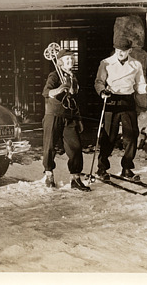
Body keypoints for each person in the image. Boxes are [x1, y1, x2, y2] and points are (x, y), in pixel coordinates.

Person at [94, 38, 147, 181]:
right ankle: (102, 168)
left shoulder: (136, 64)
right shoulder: (106, 63)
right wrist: (102, 91)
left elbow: (139, 85)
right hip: (111, 99)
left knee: (131, 135)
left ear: (129, 50)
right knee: (109, 136)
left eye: (123, 51)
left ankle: (127, 168)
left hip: (128, 100)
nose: (120, 53)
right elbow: (99, 82)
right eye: (117, 50)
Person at [42, 48, 90, 191]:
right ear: (60, 62)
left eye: (71, 58)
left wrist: (79, 119)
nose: (70, 61)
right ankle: (49, 175)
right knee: (50, 146)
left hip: (70, 117)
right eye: (67, 59)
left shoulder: (73, 78)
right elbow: (46, 92)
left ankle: (75, 178)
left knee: (75, 147)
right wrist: (58, 90)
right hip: (54, 115)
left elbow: (75, 101)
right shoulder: (54, 75)